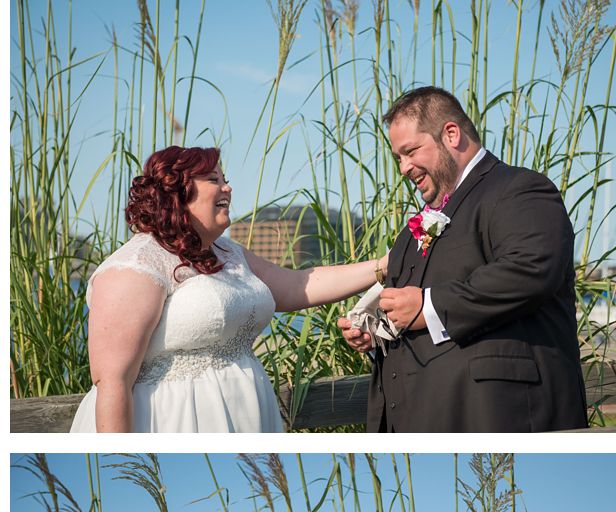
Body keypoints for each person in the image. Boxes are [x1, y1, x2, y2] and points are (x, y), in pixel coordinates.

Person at [72, 145, 385, 433]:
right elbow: (112, 382)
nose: (228, 187)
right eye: (213, 179)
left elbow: (297, 285)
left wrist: (384, 266)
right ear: (177, 193)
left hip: (245, 414)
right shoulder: (135, 266)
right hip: (173, 424)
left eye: (225, 179)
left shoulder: (227, 252)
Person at [337, 86, 588, 432]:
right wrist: (378, 332)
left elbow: (530, 270)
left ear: (451, 134)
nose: (404, 168)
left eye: (410, 152)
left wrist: (427, 306)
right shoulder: (414, 229)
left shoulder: (519, 189)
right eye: (398, 157)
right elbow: (415, 311)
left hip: (498, 420)